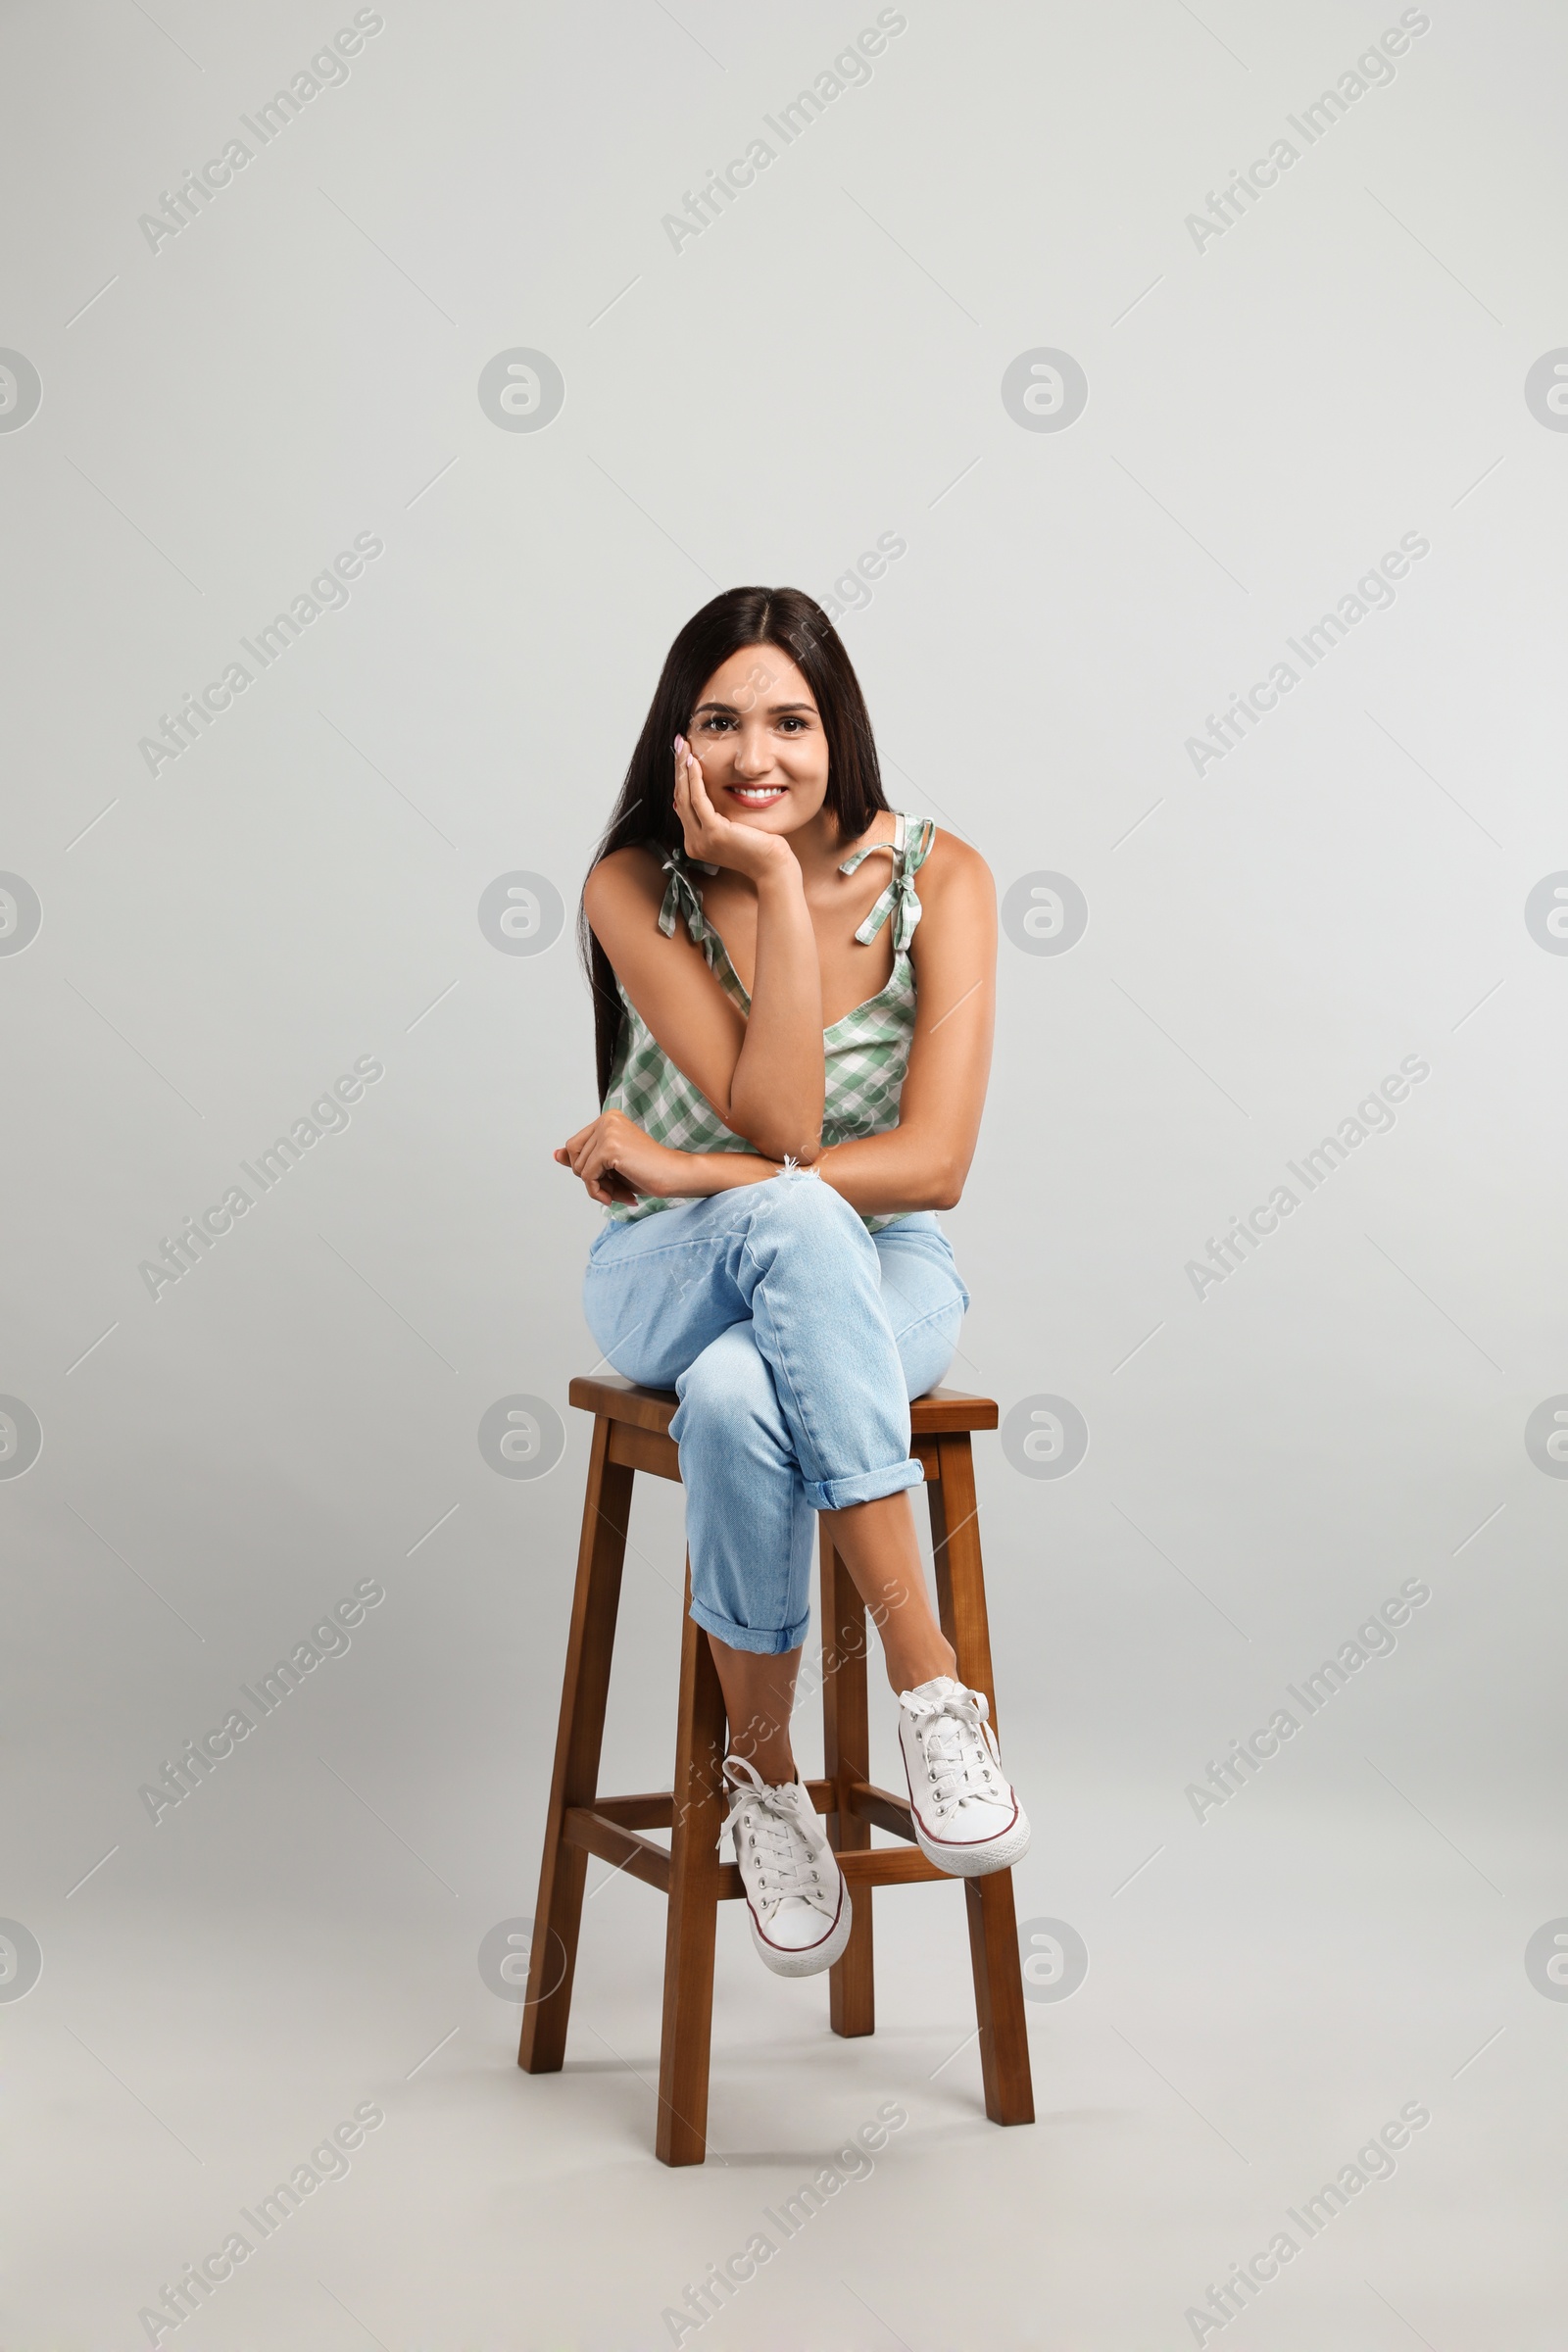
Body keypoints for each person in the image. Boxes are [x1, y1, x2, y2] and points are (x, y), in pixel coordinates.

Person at [556, 586, 1028, 1982]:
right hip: (665, 1272)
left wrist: (679, 1166)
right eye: (719, 721)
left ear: (841, 731)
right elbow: (787, 1133)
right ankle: (931, 1685)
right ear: (676, 739)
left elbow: (932, 1165)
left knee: (733, 1390)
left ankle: (764, 1782)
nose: (754, 754)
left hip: (883, 1268)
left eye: (789, 720)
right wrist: (764, 879)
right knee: (791, 1234)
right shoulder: (635, 883)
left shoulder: (946, 877)